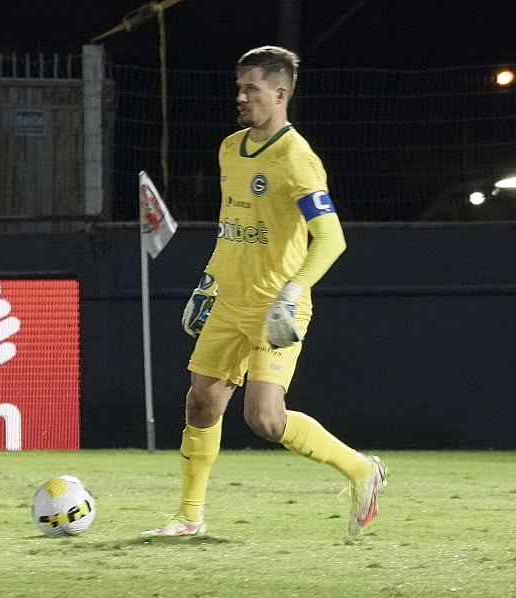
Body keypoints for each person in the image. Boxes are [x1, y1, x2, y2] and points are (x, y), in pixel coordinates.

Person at [143, 45, 386, 538]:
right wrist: (208, 282)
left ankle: (362, 470)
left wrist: (294, 291)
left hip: (276, 306)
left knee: (264, 419)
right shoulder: (230, 149)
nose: (241, 96)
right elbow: (231, 226)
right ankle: (189, 518)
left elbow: (332, 238)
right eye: (239, 87)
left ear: (279, 93)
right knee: (201, 402)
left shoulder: (298, 160)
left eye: (251, 88)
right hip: (228, 299)